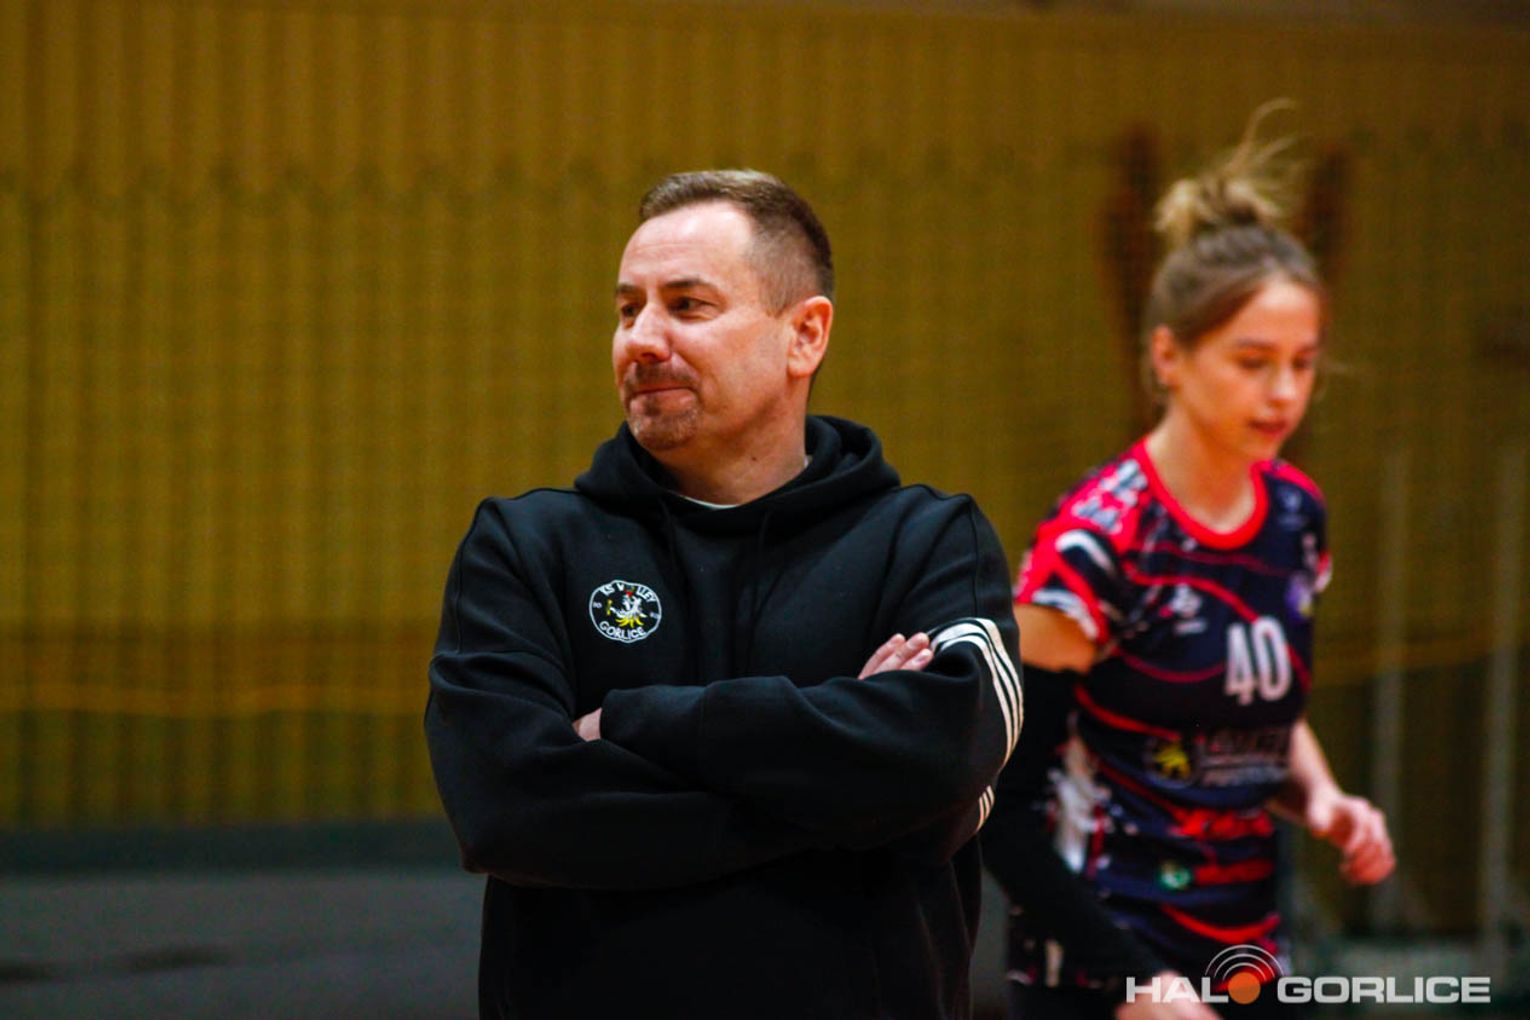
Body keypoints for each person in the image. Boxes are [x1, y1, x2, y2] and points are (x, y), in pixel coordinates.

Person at [425, 169, 1022, 1019]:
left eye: (687, 306)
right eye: (627, 309)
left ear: (805, 335)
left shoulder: (926, 541)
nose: (641, 340)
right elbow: (509, 811)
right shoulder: (526, 546)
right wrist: (865, 799)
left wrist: (637, 722)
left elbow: (946, 753)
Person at [982, 111, 1395, 1020]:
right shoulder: (1093, 547)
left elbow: (1254, 715)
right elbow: (1000, 816)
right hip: (1101, 970)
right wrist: (1133, 981)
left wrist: (1325, 800)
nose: (1283, 392)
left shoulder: (1295, 516)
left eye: (1303, 364)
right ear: (1167, 355)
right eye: (1253, 362)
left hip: (1244, 953)